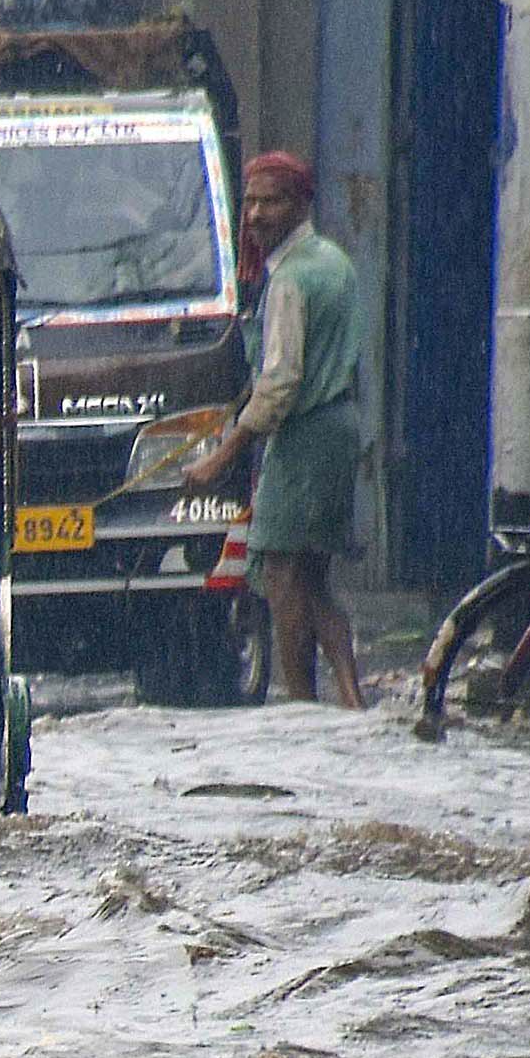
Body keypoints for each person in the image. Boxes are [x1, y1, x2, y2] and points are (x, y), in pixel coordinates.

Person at [222, 151, 369, 706]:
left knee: (282, 576)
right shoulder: (335, 262)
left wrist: (225, 452)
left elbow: (281, 381)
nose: (256, 214)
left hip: (306, 437)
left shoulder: (291, 278)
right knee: (313, 580)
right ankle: (352, 702)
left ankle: (303, 709)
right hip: (338, 431)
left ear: (301, 204)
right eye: (251, 201)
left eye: (271, 201)